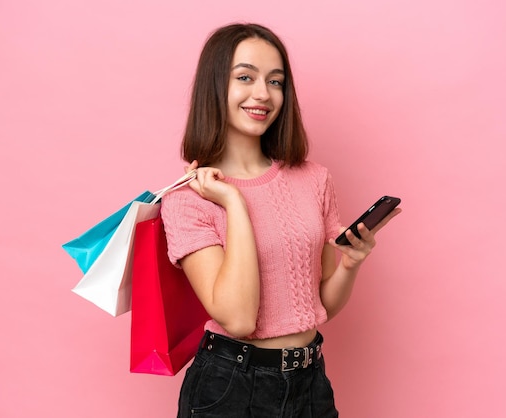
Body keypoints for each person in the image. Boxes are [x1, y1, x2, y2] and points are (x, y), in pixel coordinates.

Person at [161, 22, 401, 418]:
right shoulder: (188, 200)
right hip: (230, 389)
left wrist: (352, 264)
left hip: (310, 383)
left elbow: (319, 303)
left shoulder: (314, 179)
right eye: (245, 77)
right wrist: (234, 203)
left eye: (276, 81)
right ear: (214, 86)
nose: (263, 94)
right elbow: (238, 319)